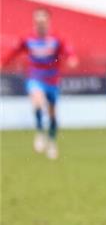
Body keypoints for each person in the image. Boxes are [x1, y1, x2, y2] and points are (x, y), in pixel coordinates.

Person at [1, 8, 78, 159]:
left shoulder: (57, 38)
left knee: (52, 115)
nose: (40, 23)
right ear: (34, 22)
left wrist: (72, 58)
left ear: (48, 21)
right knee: (37, 101)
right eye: (38, 21)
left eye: (43, 20)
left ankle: (52, 141)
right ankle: (40, 132)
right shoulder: (27, 38)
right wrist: (3, 62)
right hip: (35, 78)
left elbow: (68, 50)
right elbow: (13, 51)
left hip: (52, 81)